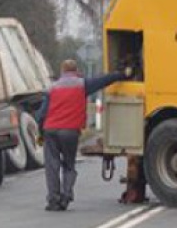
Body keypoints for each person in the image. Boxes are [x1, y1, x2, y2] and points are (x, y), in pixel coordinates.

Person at [35, 59, 127, 211]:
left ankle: (53, 200)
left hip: (50, 130)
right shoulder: (82, 84)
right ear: (76, 70)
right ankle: (66, 196)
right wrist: (120, 74)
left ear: (62, 71)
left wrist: (40, 132)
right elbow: (103, 80)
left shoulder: (52, 88)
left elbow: (41, 114)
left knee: (52, 166)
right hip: (70, 131)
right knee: (69, 165)